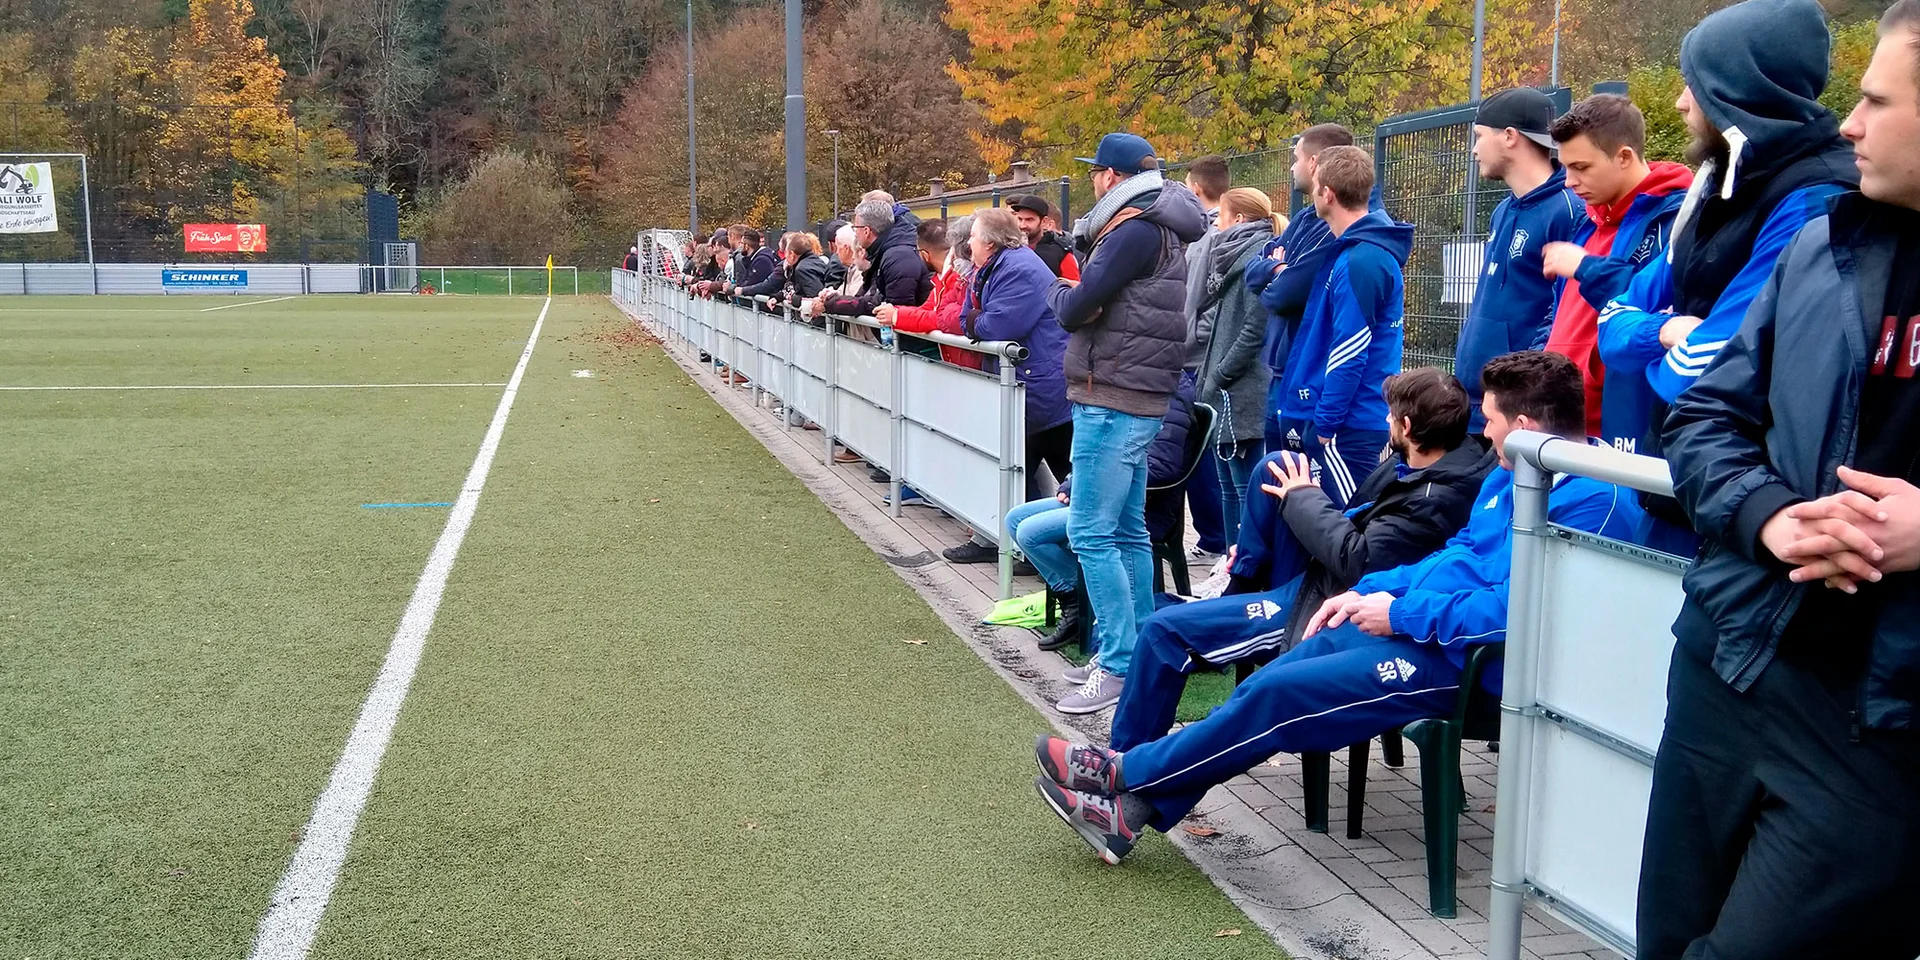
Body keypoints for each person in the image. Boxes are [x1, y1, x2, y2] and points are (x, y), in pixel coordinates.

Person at [1030, 351, 1640, 864]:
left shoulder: (1592, 502)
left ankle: (1122, 776)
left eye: (1492, 422)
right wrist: (1377, 593)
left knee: (1279, 697)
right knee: (1278, 675)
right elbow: (1455, 557)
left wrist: (1399, 614)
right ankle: (1127, 810)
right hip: (1428, 632)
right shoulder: (1517, 470)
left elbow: (1519, 612)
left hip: (1480, 667)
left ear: (1528, 424)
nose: (1484, 434)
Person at [1638, 6, 1920, 954]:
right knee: (1670, 940)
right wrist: (1773, 518)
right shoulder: (1825, 246)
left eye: (1876, 101)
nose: (1846, 122)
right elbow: (1705, 415)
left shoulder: (1799, 212)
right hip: (1731, 658)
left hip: (1880, 721)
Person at [1101, 368, 1496, 749]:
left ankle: (1126, 760)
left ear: (1407, 427)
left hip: (1325, 606)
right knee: (1276, 467)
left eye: (1391, 416)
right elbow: (1356, 524)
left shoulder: (1438, 496)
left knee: (1162, 629)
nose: (1386, 421)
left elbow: (1359, 561)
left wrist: (1302, 496)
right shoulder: (1411, 465)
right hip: (1317, 582)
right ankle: (1242, 573)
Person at [1597, 0, 1857, 556]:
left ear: (1735, 89)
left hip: (1753, 503)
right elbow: (1613, 323)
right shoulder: (1715, 185)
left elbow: (1711, 366)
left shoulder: (1815, 197)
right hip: (1682, 483)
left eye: (1693, 84)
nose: (1680, 102)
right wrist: (1664, 331)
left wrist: (1664, 340)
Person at [1044, 132, 1208, 713]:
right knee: (1128, 531)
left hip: (1112, 395)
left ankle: (1116, 665)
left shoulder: (1133, 229)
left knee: (1092, 532)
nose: (1092, 180)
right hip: (1133, 394)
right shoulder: (1159, 226)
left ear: (1110, 178)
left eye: (1095, 172)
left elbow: (1076, 308)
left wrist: (1061, 291)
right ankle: (1135, 654)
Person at [1539, 94, 1692, 445]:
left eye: (1581, 167)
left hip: (1621, 429)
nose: (1568, 182)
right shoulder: (1588, 222)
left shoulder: (1676, 220)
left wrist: (1585, 268)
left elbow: (1655, 304)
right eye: (1565, 168)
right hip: (1559, 421)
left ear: (1623, 156)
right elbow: (1560, 315)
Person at [1007, 378, 1200, 654]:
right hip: (1097, 494)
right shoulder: (1126, 387)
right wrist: (1074, 482)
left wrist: (1085, 483)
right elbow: (1102, 453)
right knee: (1014, 519)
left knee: (1031, 533)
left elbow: (1160, 466)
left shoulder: (1165, 394)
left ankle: (1091, 612)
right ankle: (1076, 599)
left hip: (1134, 508)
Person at [1274, 145, 1413, 509]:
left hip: (1346, 426)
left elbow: (1351, 349)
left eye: (1315, 184)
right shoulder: (1351, 251)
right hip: (1341, 421)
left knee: (1343, 527)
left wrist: (1325, 426)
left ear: (1327, 193)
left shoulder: (1362, 259)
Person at [1452, 88, 1585, 432]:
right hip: (1477, 402)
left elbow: (1565, 313)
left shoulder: (1568, 210)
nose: (1474, 149)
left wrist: (1519, 384)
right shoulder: (1502, 210)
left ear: (1510, 136)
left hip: (1518, 411)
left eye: (1480, 137)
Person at [1248, 123, 1359, 455]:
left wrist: (1278, 270)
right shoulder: (1305, 218)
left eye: (1296, 158)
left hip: (1310, 374)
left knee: (1301, 486)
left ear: (1315, 163)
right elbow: (1256, 271)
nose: (1292, 167)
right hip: (1282, 369)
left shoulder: (1340, 225)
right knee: (1273, 478)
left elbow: (1285, 295)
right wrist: (1276, 267)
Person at [1194, 187, 1283, 541]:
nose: (1216, 225)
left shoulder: (1254, 260)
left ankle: (1242, 566)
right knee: (1228, 487)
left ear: (1240, 220)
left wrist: (1221, 371)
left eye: (1222, 217)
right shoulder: (1235, 258)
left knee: (1245, 490)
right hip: (1226, 389)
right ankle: (1228, 564)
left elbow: (1254, 327)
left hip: (1242, 390)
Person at [1180, 154, 1234, 563]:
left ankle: (1216, 537)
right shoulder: (1219, 233)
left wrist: (1194, 336)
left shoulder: (1209, 237)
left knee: (1202, 449)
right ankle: (1216, 536)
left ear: (1196, 188)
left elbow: (1202, 299)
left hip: (1198, 356)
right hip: (1207, 351)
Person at [876, 217, 984, 371]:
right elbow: (929, 309)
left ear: (925, 254)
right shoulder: (942, 278)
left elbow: (941, 319)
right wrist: (896, 313)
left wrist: (896, 316)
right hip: (959, 363)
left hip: (971, 367)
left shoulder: (959, 277)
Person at [1007, 195, 1081, 280]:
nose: (1022, 225)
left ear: (1044, 221)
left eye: (1029, 220)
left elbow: (1074, 288)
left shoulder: (1061, 254)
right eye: (1020, 219)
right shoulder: (1009, 250)